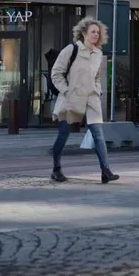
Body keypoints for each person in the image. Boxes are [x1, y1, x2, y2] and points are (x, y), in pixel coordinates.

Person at [49, 16, 119, 184]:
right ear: (84, 33)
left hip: (91, 99)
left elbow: (96, 77)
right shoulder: (71, 50)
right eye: (92, 32)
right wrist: (66, 91)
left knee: (98, 134)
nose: (96, 34)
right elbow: (56, 74)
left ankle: (105, 170)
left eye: (98, 32)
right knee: (63, 135)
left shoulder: (98, 54)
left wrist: (98, 90)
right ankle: (56, 169)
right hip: (70, 98)